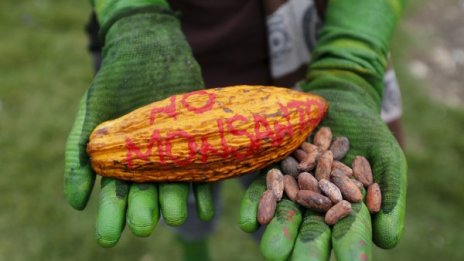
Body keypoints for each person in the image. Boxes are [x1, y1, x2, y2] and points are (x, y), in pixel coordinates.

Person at [65, 0, 407, 260]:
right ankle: (195, 251)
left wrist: (352, 55)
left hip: (293, 59)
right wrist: (135, 14)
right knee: (183, 201)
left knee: (275, 215)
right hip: (162, 68)